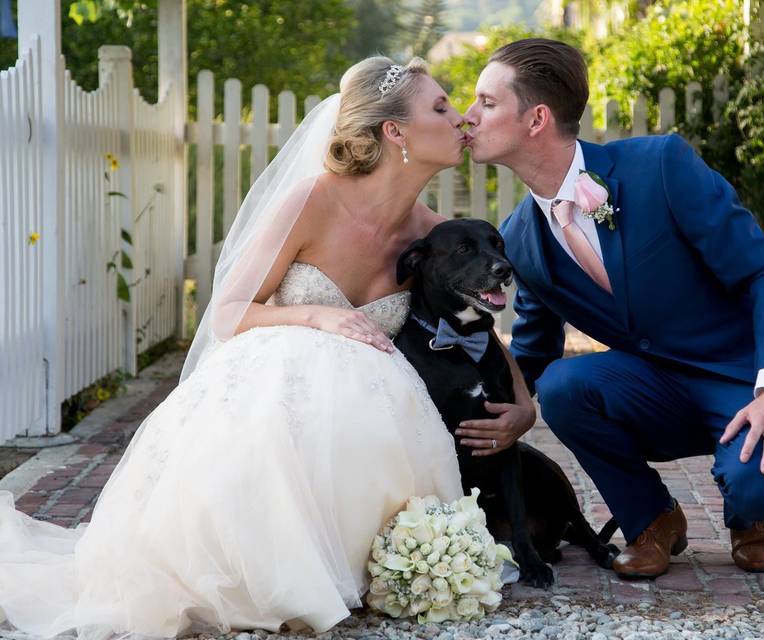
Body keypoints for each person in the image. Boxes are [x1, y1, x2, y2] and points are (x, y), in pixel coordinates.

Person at [0, 56, 532, 638]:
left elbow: (477, 320)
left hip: (377, 410)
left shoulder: (432, 234)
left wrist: (525, 404)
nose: (459, 119)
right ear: (394, 132)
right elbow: (227, 312)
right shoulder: (313, 201)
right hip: (278, 377)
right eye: (440, 107)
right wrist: (318, 316)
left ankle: (387, 562)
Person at [458, 38, 764, 579]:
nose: (467, 116)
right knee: (565, 388)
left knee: (758, 484)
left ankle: (753, 517)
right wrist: (511, 404)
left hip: (744, 375)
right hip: (652, 388)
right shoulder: (520, 237)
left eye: (486, 102)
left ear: (537, 118)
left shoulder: (660, 166)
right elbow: (534, 349)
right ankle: (652, 519)